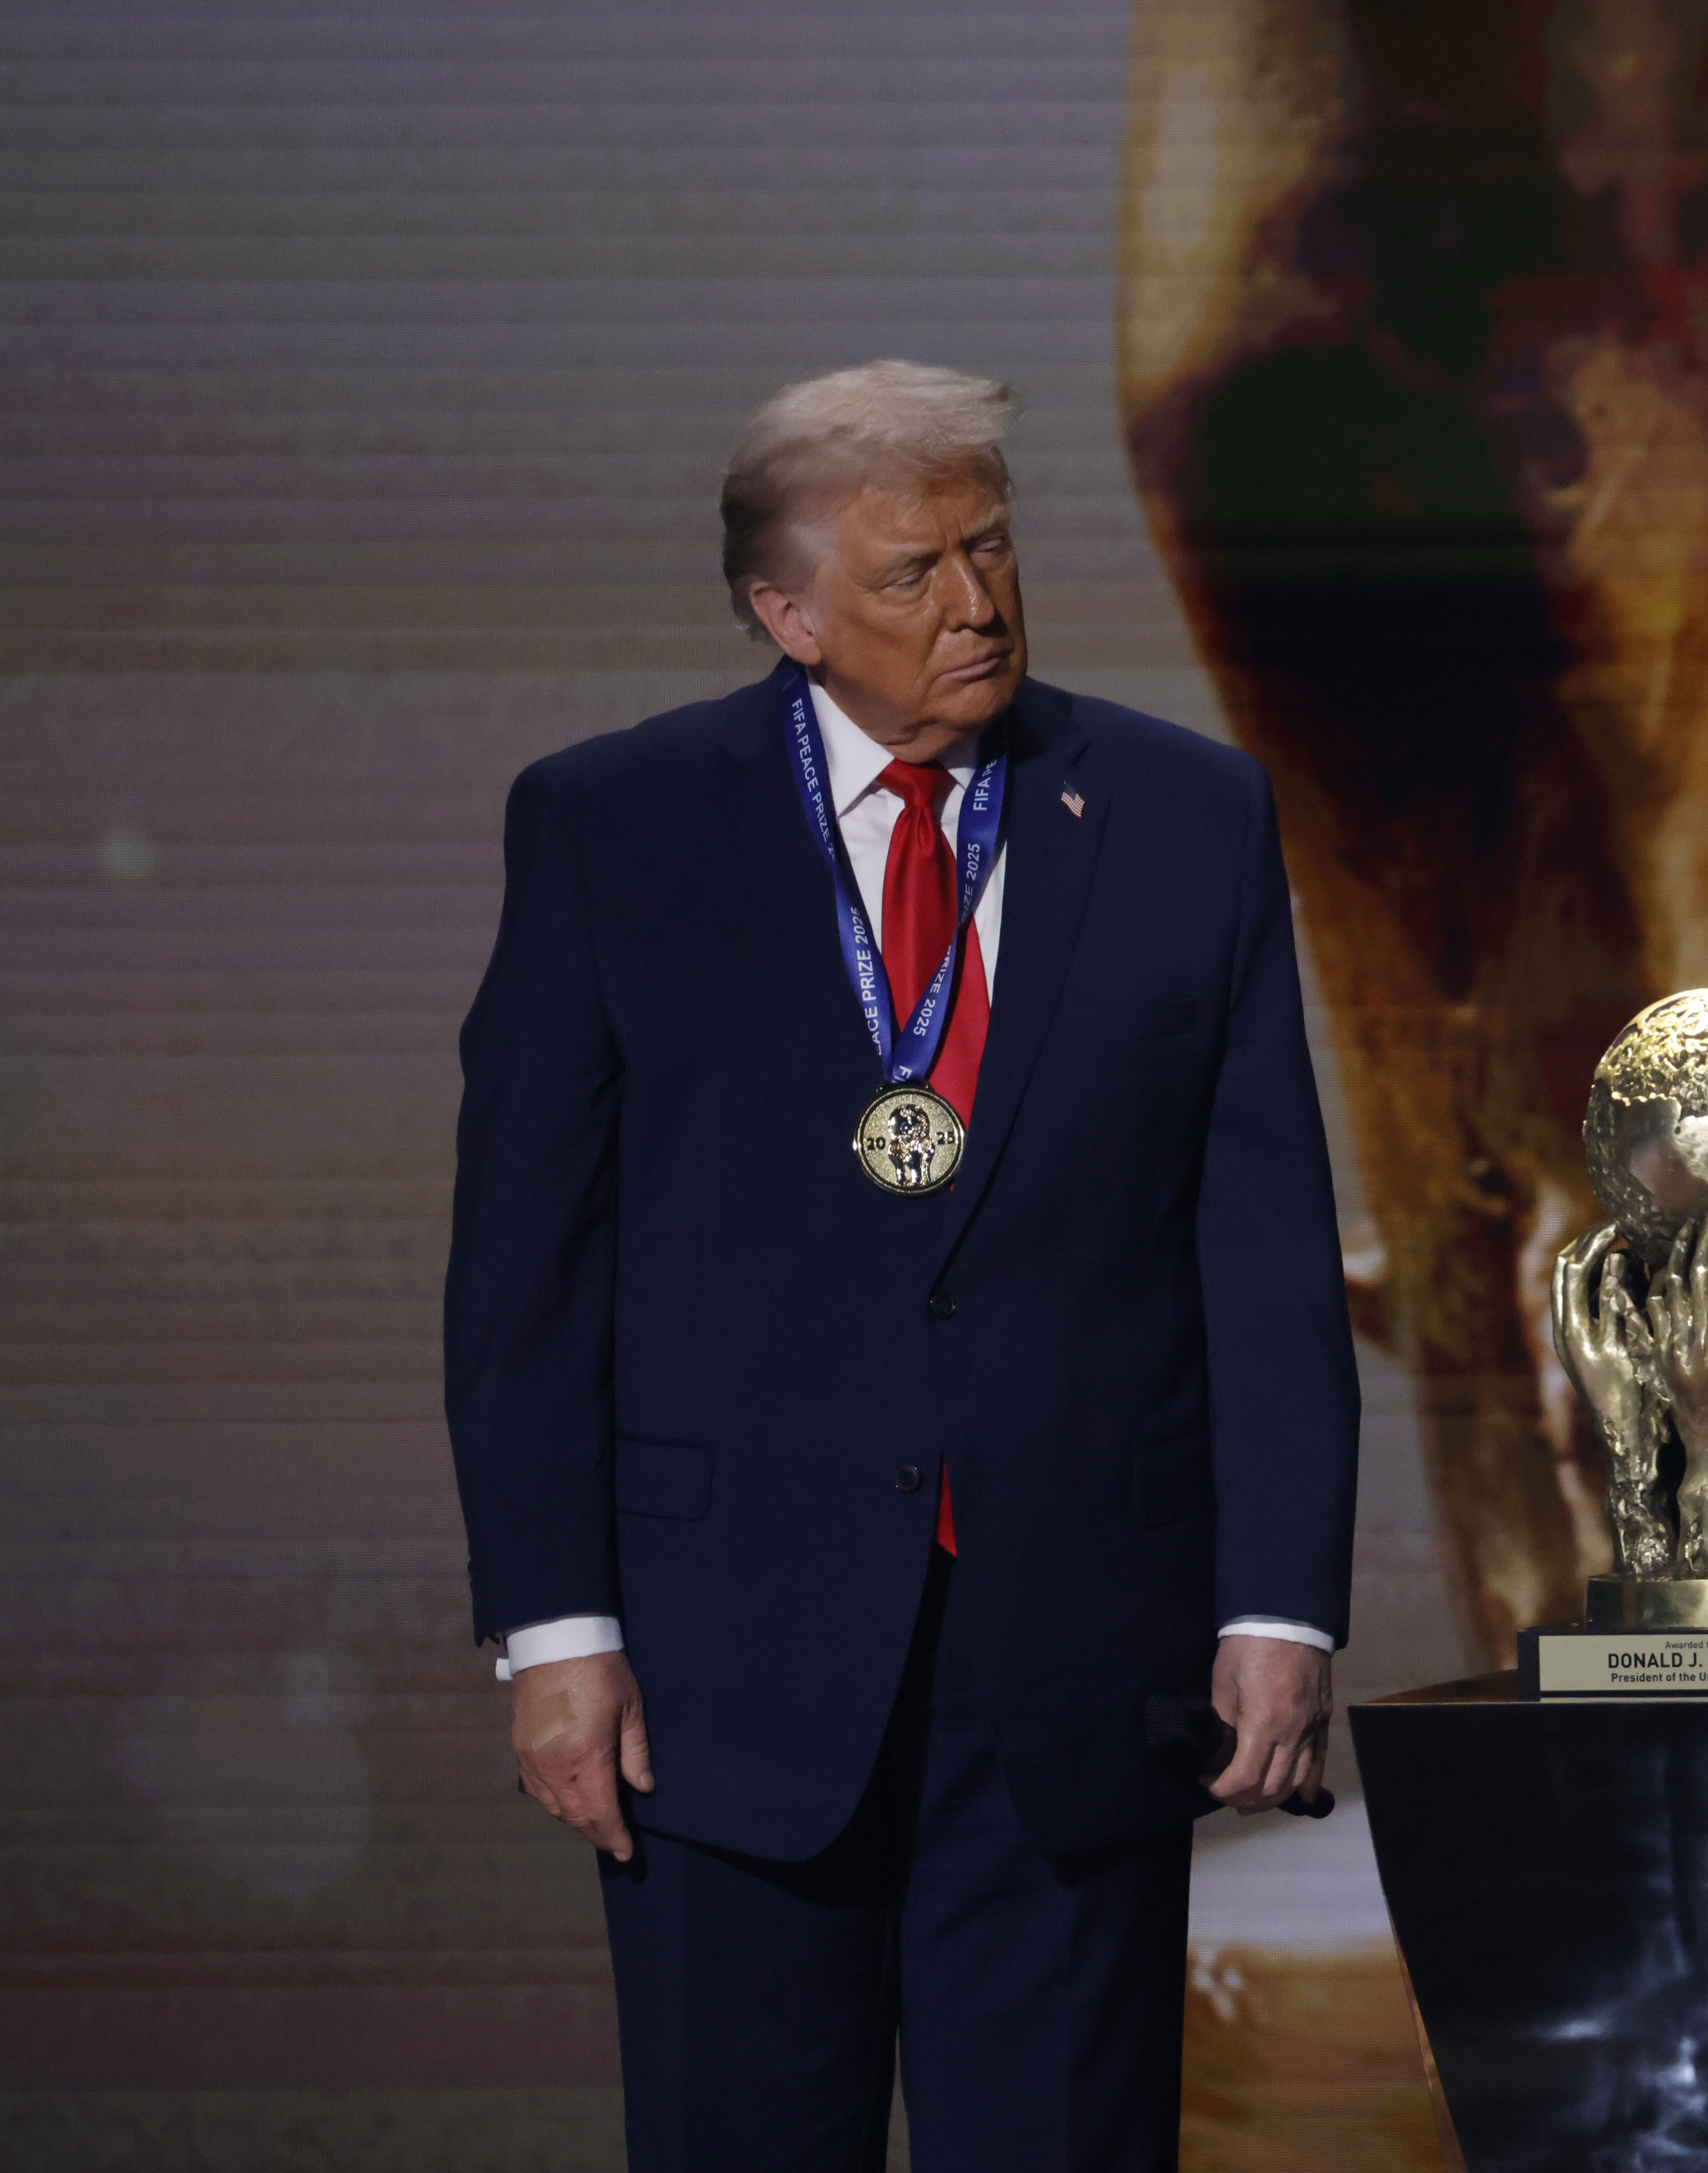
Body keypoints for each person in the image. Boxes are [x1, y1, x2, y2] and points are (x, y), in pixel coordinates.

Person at [444, 361, 1360, 2171]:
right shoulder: (613, 826)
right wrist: (557, 1631)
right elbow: (528, 1268)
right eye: (909, 572)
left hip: (1081, 1666)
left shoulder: (1186, 815)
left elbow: (1261, 1239)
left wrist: (1280, 1605)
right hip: (722, 1681)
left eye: (992, 547)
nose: (976, 603)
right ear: (783, 613)